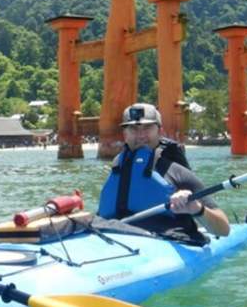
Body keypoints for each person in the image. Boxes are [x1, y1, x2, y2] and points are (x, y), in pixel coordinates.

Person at [97, 102, 230, 242]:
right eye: (134, 128)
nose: (141, 135)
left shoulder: (177, 173)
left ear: (160, 131)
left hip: (163, 240)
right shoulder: (117, 168)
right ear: (125, 134)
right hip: (113, 236)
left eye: (147, 127)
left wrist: (197, 209)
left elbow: (224, 229)